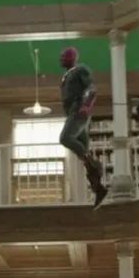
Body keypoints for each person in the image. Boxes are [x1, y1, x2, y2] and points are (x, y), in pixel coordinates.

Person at [58, 47, 108, 208]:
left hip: (78, 111)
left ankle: (94, 164)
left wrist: (87, 105)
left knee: (65, 138)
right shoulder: (66, 76)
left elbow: (92, 89)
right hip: (72, 113)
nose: (60, 58)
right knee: (83, 151)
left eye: (64, 56)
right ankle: (99, 189)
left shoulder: (80, 70)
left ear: (72, 57)